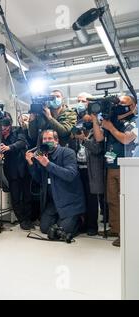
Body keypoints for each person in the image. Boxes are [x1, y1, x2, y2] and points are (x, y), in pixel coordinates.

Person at [93, 95, 138, 247]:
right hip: (111, 166)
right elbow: (99, 138)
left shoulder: (135, 120)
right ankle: (116, 228)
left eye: (123, 104)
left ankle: (127, 232)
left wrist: (110, 127)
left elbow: (127, 139)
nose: (119, 106)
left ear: (133, 106)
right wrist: (95, 119)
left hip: (127, 167)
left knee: (126, 202)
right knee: (113, 201)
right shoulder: (112, 120)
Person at [26, 130, 85, 237]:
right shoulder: (43, 155)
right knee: (44, 228)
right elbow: (39, 179)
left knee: (62, 231)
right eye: (44, 139)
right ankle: (61, 219)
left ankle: (79, 219)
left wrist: (48, 164)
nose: (47, 141)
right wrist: (31, 163)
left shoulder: (68, 152)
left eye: (50, 139)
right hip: (54, 202)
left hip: (69, 201)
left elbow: (70, 175)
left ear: (56, 140)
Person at [69, 93, 104, 236]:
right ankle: (82, 224)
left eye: (83, 101)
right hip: (78, 167)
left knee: (91, 198)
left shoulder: (99, 123)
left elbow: (97, 148)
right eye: (78, 101)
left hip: (92, 168)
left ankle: (92, 226)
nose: (80, 103)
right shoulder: (77, 123)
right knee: (80, 197)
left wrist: (83, 140)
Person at [0, 114, 33, 230]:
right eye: (2, 128)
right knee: (15, 196)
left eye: (6, 128)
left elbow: (22, 143)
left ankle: (28, 218)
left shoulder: (18, 130)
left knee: (27, 195)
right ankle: (21, 220)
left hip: (24, 167)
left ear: (10, 125)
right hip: (10, 169)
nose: (4, 130)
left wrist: (9, 147)